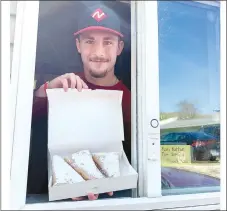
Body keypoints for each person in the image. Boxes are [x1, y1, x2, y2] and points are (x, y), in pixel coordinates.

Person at [27, 5, 131, 201]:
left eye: (107, 42)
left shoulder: (130, 102)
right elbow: (17, 125)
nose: (98, 52)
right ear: (78, 45)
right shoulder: (64, 86)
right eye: (89, 41)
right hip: (50, 195)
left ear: (119, 48)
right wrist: (46, 89)